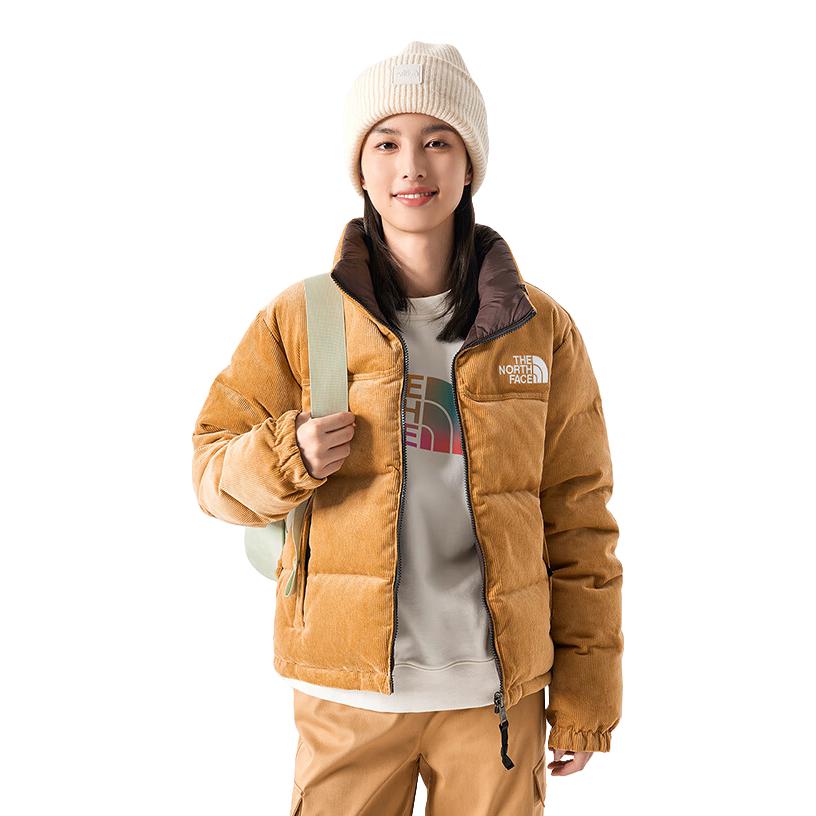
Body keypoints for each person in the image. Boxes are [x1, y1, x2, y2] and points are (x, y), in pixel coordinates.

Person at [191, 41, 623, 815]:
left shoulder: (539, 328)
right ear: (360, 168)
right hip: (347, 693)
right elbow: (211, 472)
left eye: (438, 141)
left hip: (496, 698)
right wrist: (287, 454)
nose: (411, 166)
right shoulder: (303, 317)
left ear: (469, 164)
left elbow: (579, 519)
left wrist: (588, 696)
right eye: (386, 143)